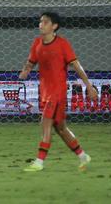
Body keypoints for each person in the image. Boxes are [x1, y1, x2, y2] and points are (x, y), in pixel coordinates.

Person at [17, 11, 98, 172]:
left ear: (54, 26)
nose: (41, 24)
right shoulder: (37, 43)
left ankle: (39, 162)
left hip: (57, 93)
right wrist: (25, 71)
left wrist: (89, 86)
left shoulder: (62, 44)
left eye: (45, 22)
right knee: (60, 128)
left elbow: (76, 65)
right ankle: (83, 156)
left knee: (45, 123)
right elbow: (31, 61)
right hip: (45, 92)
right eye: (40, 21)